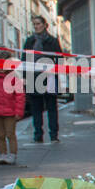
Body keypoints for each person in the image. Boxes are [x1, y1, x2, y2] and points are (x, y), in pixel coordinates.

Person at [22, 15, 62, 143]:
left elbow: (59, 59)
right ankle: (38, 134)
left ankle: (54, 135)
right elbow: (24, 60)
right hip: (33, 77)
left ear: (45, 25)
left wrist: (55, 72)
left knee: (51, 107)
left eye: (38, 24)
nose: (36, 26)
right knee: (36, 108)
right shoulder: (29, 41)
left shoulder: (53, 41)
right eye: (34, 24)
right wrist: (24, 77)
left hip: (49, 76)